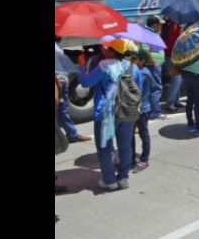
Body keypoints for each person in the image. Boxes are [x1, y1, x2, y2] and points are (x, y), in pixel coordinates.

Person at [78, 38, 139, 191]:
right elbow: (139, 89)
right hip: (128, 110)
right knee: (125, 146)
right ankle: (124, 178)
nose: (105, 50)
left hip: (107, 113)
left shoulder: (104, 66)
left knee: (104, 147)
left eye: (108, 48)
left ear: (112, 51)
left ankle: (109, 181)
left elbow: (86, 83)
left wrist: (81, 66)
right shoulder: (133, 67)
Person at [55, 37, 92, 143]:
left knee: (62, 110)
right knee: (62, 109)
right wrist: (59, 84)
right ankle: (72, 134)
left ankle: (71, 133)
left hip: (60, 83)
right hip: (59, 84)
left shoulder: (57, 46)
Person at [130, 50, 153, 172]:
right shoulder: (138, 71)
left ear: (142, 61)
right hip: (134, 108)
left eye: (135, 59)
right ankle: (131, 158)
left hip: (142, 109)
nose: (132, 61)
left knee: (143, 134)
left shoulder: (143, 74)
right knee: (130, 135)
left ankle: (144, 160)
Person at [142, 16, 168, 120]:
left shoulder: (151, 33)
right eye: (160, 24)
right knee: (156, 89)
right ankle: (155, 113)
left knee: (152, 89)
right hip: (153, 66)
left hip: (155, 65)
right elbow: (145, 49)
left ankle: (150, 111)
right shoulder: (148, 34)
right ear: (155, 25)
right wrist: (153, 62)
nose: (161, 26)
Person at [162, 18, 184, 112]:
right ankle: (170, 103)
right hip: (169, 56)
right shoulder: (166, 26)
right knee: (176, 79)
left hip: (177, 56)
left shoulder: (177, 26)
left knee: (179, 79)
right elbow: (169, 41)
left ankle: (176, 100)